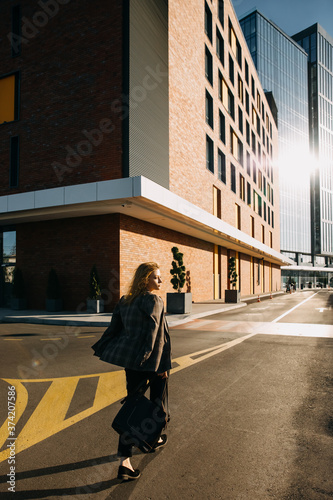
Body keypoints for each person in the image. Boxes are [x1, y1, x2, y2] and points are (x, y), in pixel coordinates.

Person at [92, 262, 171, 481]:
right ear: (146, 279)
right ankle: (135, 453)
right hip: (152, 364)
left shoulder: (125, 301)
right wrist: (158, 367)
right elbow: (155, 338)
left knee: (133, 407)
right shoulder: (154, 300)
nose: (160, 281)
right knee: (155, 407)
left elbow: (113, 329)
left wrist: (103, 347)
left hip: (132, 365)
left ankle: (139, 450)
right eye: (157, 277)